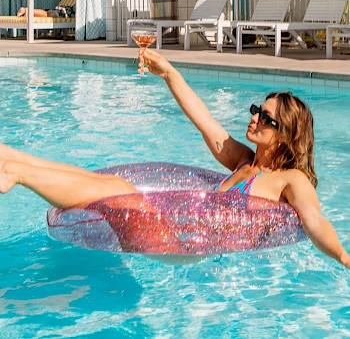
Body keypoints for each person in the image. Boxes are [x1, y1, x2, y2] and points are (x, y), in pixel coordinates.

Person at [0, 50, 349, 268]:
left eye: (266, 117)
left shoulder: (290, 179)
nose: (254, 117)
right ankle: (15, 160)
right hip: (180, 236)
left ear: (285, 135)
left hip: (184, 251)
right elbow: (204, 119)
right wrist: (168, 72)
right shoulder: (244, 162)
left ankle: (19, 172)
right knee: (113, 185)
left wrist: (345, 258)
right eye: (257, 109)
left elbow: (314, 220)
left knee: (119, 190)